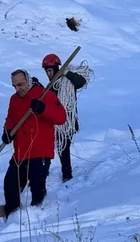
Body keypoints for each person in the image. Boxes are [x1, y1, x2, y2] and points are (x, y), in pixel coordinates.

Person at [2, 69, 66, 217]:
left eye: (20, 84)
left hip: (40, 150)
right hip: (20, 152)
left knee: (37, 185)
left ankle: (38, 215)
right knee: (11, 185)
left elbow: (61, 117)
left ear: (28, 81)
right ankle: (13, 216)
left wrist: (43, 108)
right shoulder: (14, 100)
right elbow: (10, 119)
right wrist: (7, 132)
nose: (18, 89)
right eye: (15, 86)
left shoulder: (45, 95)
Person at [42, 54, 87, 182]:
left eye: (50, 71)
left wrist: (66, 73)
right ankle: (43, 173)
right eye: (46, 71)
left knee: (64, 148)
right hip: (53, 122)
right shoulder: (50, 86)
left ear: (57, 68)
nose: (48, 74)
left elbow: (81, 81)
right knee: (48, 147)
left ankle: (67, 174)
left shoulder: (68, 82)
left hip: (68, 122)